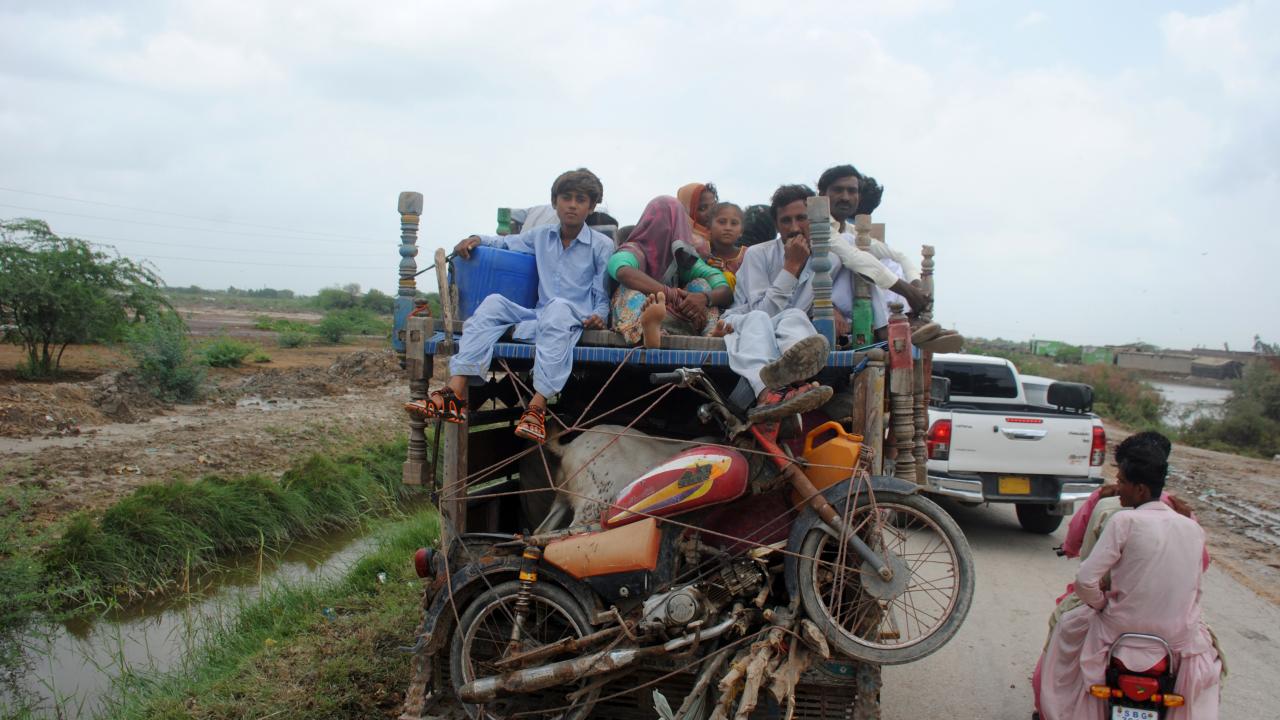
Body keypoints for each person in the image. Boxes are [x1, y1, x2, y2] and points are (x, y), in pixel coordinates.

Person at [403, 168, 613, 445]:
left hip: (574, 319)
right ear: (555, 202)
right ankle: (454, 393)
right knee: (493, 304)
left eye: (581, 199)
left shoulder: (602, 245)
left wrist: (599, 316)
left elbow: (602, 294)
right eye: (566, 198)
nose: (572, 205)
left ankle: (537, 408)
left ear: (591, 206)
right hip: (541, 314)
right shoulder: (542, 235)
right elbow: (505, 243)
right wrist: (476, 239)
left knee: (559, 308)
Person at [1036, 441, 1221, 720]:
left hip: (1118, 628)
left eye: (1122, 482)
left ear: (1140, 489)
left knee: (1063, 631)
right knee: (1214, 663)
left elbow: (1085, 580)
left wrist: (1101, 604)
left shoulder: (1125, 521)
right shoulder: (1192, 528)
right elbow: (1196, 586)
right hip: (1176, 636)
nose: (1117, 488)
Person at [719, 184, 844, 421]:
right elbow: (762, 311)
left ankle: (795, 382)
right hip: (744, 323)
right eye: (786, 220)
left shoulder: (829, 261)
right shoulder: (758, 254)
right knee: (760, 319)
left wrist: (834, 308)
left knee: (796, 316)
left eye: (801, 218)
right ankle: (766, 393)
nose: (794, 228)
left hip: (786, 327)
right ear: (776, 225)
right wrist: (791, 267)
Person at [608, 196, 732, 347]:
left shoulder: (680, 256)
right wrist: (670, 294)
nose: (664, 231)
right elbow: (623, 272)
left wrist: (703, 298)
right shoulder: (634, 250)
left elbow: (725, 290)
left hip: (677, 317)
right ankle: (646, 332)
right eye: (658, 224)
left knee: (702, 285)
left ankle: (711, 335)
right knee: (627, 290)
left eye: (670, 225)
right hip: (641, 317)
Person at [815, 164, 929, 316]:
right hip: (815, 302)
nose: (845, 197)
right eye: (838, 190)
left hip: (843, 302)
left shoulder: (850, 230)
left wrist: (915, 286)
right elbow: (853, 258)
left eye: (852, 191)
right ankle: (888, 322)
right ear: (822, 194)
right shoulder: (816, 224)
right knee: (861, 261)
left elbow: (899, 256)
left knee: (889, 261)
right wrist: (906, 290)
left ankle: (903, 317)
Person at [704, 202, 747, 292]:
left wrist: (725, 271)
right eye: (722, 222)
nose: (728, 228)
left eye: (734, 223)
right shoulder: (702, 252)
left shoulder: (748, 255)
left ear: (741, 231)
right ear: (708, 228)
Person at [676, 181, 717, 255]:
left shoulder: (725, 234)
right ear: (686, 212)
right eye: (702, 208)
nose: (711, 212)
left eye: (714, 206)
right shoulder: (683, 244)